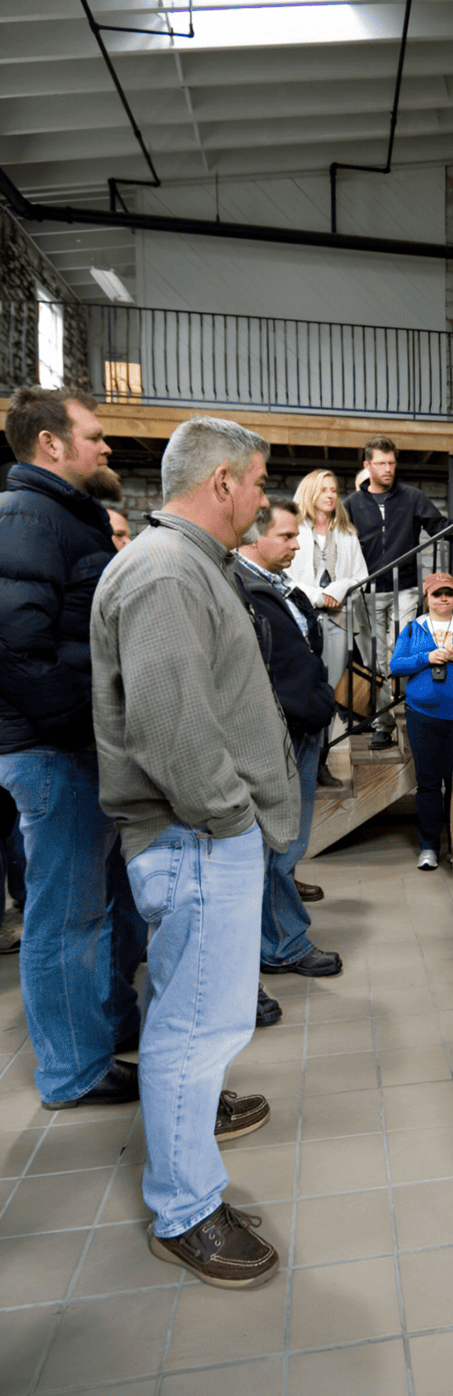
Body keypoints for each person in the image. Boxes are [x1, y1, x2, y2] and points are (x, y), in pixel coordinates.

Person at [90, 415, 300, 1290]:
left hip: (203, 836)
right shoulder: (169, 572)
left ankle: (187, 1188)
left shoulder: (184, 566)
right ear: (220, 484)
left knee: (196, 1023)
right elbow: (172, 728)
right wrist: (231, 821)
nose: (262, 497)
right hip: (199, 836)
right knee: (191, 1030)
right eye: (256, 482)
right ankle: (184, 1212)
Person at [0, 386, 142, 1108]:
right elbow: (18, 652)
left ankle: (95, 1039)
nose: (106, 444)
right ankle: (71, 1071)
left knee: (87, 912)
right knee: (62, 920)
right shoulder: (26, 515)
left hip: (70, 744)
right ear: (50, 443)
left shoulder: (60, 513)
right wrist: (83, 726)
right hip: (52, 749)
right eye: (94, 433)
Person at [235, 499, 343, 985]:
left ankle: (277, 935)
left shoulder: (279, 587)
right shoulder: (239, 585)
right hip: (277, 732)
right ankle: (281, 945)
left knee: (289, 843)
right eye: (286, 536)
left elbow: (303, 652)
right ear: (255, 537)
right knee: (277, 843)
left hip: (301, 728)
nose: (297, 545)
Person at [345, 436, 453, 750]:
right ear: (367, 466)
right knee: (376, 661)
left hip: (404, 588)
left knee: (396, 653)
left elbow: (444, 530)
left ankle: (407, 711)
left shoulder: (412, 497)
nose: (388, 469)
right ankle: (383, 723)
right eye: (381, 463)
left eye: (392, 463)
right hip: (367, 591)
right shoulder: (351, 505)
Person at [389, 571, 453, 869]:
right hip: (422, 715)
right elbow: (396, 666)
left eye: (449, 593)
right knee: (428, 783)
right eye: (437, 594)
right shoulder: (413, 628)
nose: (443, 598)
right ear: (427, 598)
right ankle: (429, 847)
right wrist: (427, 658)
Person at [288, 469, 367, 784]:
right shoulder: (294, 529)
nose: (331, 495)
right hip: (300, 618)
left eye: (334, 490)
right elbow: (284, 576)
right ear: (310, 493)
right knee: (299, 692)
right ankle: (293, 765)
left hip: (336, 623)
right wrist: (318, 595)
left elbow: (361, 575)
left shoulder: (347, 533)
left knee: (326, 695)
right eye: (324, 490)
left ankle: (319, 764)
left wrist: (341, 587)